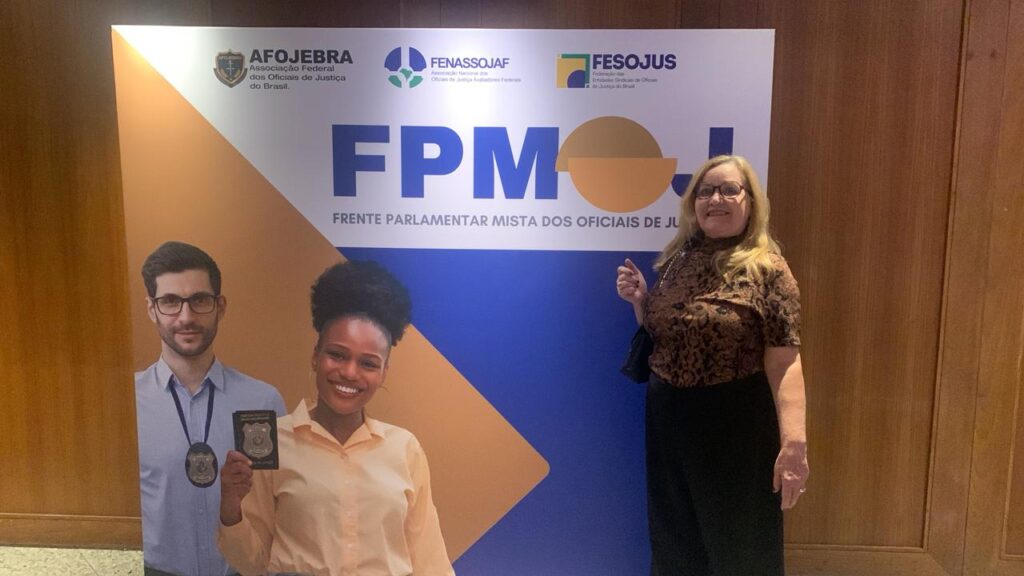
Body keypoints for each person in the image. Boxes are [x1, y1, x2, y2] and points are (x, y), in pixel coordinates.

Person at [615, 155, 809, 576]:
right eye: (705, 191)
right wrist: (642, 302)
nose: (715, 199)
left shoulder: (768, 269)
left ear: (750, 201)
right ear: (693, 203)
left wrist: (794, 444)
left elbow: (785, 360)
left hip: (735, 425)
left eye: (728, 189)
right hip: (668, 421)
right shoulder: (677, 260)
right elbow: (668, 335)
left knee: (741, 545)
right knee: (675, 543)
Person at [218, 260, 455, 576]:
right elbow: (254, 564)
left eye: (368, 363)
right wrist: (231, 508)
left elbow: (430, 563)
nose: (350, 373)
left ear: (384, 372)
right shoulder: (273, 444)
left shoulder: (404, 449)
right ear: (315, 356)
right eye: (338, 355)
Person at [135, 241, 287, 576]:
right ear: (151, 309)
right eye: (170, 302)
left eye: (200, 300)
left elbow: (281, 509)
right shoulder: (126, 406)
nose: (186, 317)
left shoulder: (263, 403)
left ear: (220, 306)